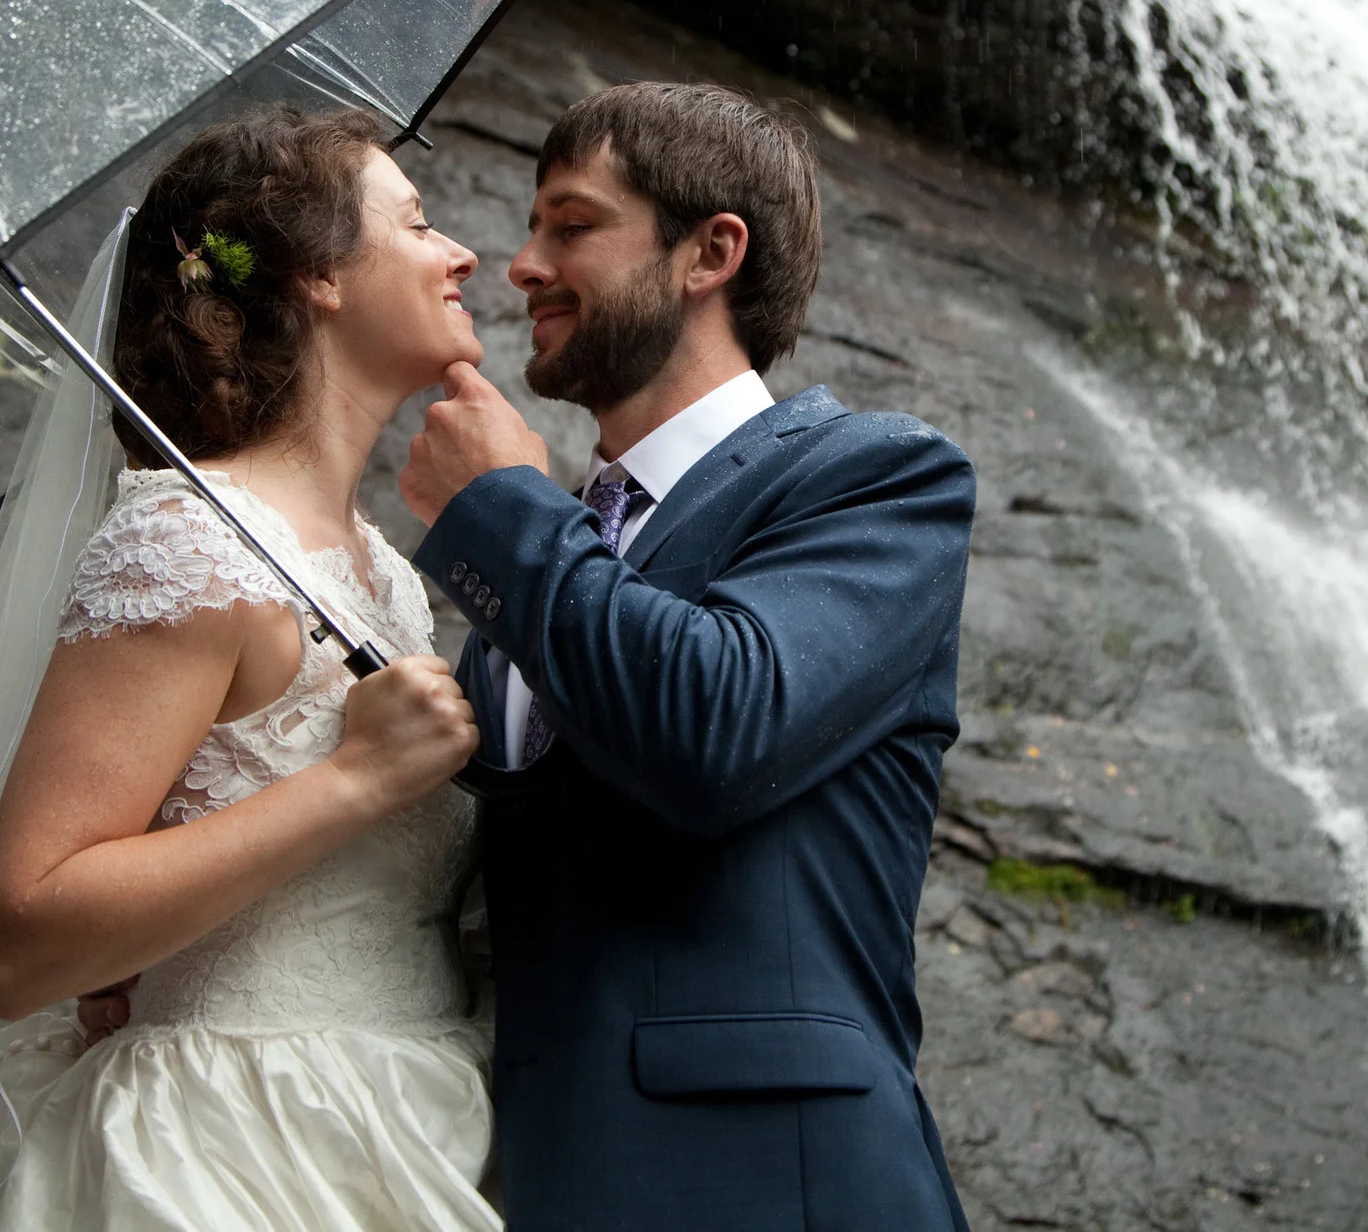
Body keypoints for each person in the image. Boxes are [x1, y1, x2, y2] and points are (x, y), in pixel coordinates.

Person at [0, 102, 504, 1232]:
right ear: (319, 278)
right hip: (222, 1153)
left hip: (403, 1121)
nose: (459, 253)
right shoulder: (188, 544)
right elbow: (16, 941)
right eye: (414, 223)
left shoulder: (383, 577)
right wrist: (352, 779)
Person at [398, 82, 978, 1232]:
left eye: (572, 223)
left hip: (774, 1182)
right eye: (532, 227)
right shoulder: (554, 552)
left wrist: (501, 507)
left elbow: (715, 727)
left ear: (709, 252)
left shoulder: (877, 476)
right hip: (536, 1173)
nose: (523, 264)